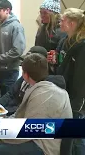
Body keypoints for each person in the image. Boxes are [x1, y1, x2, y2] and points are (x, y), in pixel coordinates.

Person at [0, 53, 72, 155]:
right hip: (40, 139)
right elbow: (20, 116)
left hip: (45, 146)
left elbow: (30, 131)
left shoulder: (44, 94)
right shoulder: (43, 88)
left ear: (25, 75)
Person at [49, 8, 85, 155]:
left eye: (63, 20)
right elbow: (63, 64)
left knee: (75, 138)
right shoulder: (65, 41)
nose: (60, 22)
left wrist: (77, 104)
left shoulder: (82, 47)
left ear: (71, 23)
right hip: (64, 94)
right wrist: (55, 61)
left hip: (75, 100)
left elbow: (81, 78)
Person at [0, 46, 66, 116]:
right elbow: (10, 94)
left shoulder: (45, 89)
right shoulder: (26, 77)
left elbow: (26, 110)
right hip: (9, 111)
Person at [0, 0, 26, 97]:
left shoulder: (16, 27)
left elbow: (18, 50)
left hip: (9, 72)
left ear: (7, 10)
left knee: (7, 101)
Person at [35, 0, 67, 74]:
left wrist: (54, 58)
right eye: (41, 12)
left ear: (54, 14)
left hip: (53, 71)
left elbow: (62, 55)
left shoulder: (61, 31)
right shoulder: (41, 29)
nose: (42, 15)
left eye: (45, 13)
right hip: (39, 67)